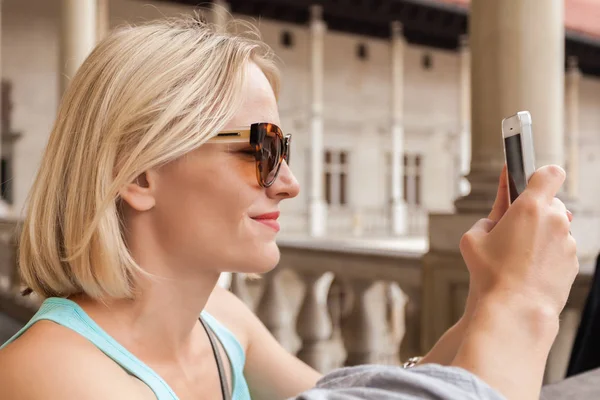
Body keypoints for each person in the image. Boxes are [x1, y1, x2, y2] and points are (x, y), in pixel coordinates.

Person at [0, 15, 577, 400]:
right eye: (262, 151)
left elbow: (344, 390)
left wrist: (486, 297)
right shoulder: (52, 377)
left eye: (284, 151)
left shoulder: (219, 323)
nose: (290, 183)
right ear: (140, 174)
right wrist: (521, 304)